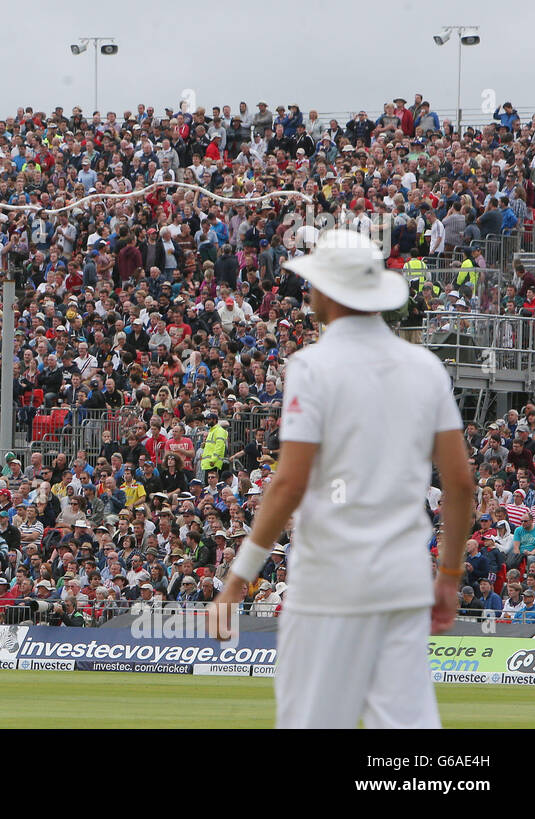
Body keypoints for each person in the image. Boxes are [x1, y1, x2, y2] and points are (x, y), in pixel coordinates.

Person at [211, 230, 473, 729]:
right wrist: (450, 577)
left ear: (332, 293)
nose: (307, 291)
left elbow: (289, 483)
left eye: (314, 282)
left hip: (328, 584)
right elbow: (460, 483)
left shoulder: (312, 366)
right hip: (402, 580)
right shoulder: (425, 367)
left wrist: (240, 577)